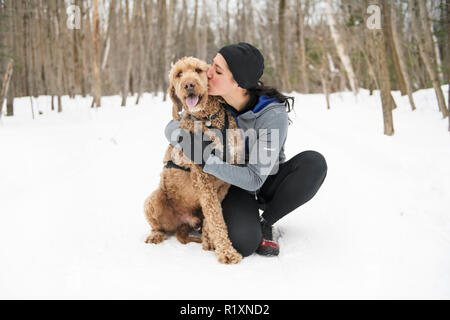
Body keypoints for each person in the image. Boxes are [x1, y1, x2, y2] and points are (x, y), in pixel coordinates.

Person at [164, 42, 327, 257]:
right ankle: (244, 220)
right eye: (212, 65)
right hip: (231, 184)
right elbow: (172, 126)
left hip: (262, 178)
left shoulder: (271, 114)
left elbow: (254, 179)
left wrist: (206, 160)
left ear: (239, 83)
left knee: (314, 163)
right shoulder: (212, 100)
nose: (208, 73)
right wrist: (192, 145)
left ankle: (267, 222)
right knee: (244, 243)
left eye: (218, 71)